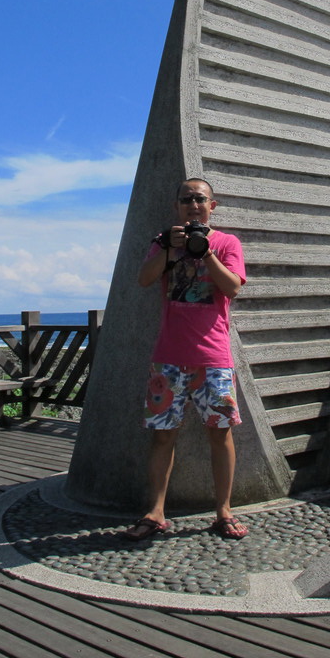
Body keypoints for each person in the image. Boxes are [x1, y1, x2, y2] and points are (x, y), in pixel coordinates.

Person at [125, 177, 249, 541]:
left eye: (200, 199)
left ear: (213, 205)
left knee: (220, 434)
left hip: (214, 358)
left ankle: (223, 510)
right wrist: (168, 250)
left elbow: (233, 287)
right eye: (186, 199)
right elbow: (143, 280)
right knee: (162, 437)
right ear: (177, 206)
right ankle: (156, 511)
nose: (193, 205)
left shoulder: (227, 242)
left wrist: (205, 251)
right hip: (168, 358)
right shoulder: (163, 242)